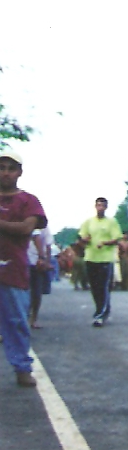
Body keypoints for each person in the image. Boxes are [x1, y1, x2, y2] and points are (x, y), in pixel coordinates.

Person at [0, 150, 47, 387]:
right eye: (2, 168)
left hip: (13, 268)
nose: (6, 173)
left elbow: (27, 228)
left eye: (11, 168)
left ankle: (21, 367)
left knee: (17, 320)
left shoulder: (29, 200)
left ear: (19, 172)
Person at [77, 197, 122, 327]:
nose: (100, 208)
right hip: (91, 257)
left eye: (102, 206)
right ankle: (102, 309)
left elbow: (117, 239)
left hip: (105, 258)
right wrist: (84, 240)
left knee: (103, 286)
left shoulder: (111, 222)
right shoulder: (89, 222)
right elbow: (82, 237)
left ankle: (100, 314)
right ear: (95, 206)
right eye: (98, 205)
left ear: (106, 207)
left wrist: (105, 242)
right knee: (94, 287)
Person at [26, 224, 52, 329]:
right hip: (23, 261)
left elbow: (48, 245)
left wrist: (46, 261)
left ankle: (33, 318)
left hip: (37, 263)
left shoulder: (43, 227)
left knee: (36, 293)